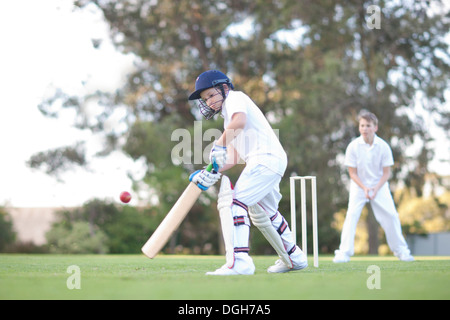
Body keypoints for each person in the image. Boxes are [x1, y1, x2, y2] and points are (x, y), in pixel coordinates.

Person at [188, 70, 307, 275]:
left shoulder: (235, 98)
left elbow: (240, 121)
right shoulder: (228, 118)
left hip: (265, 159)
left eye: (210, 95)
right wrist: (209, 171)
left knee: (235, 203)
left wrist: (218, 145)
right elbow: (234, 155)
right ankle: (294, 257)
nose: (208, 102)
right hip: (266, 159)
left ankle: (240, 262)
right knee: (264, 214)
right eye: (204, 99)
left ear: (224, 88)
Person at [333, 110, 414, 263]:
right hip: (359, 186)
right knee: (351, 216)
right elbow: (352, 173)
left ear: (375, 128)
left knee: (391, 215)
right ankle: (343, 253)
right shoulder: (353, 146)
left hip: (380, 185)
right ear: (359, 128)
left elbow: (386, 173)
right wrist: (364, 188)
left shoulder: (383, 146)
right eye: (362, 125)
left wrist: (375, 189)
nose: (364, 128)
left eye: (368, 125)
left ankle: (402, 251)